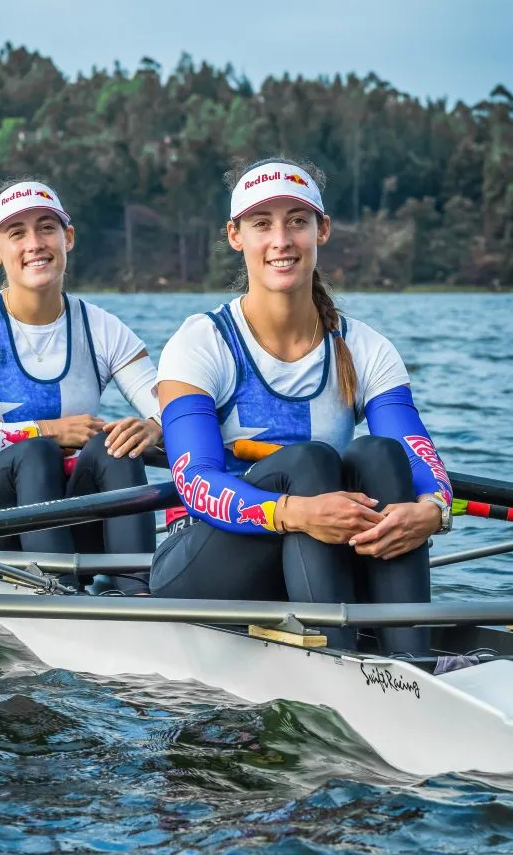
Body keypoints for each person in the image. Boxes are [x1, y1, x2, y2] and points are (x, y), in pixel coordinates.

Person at [151, 157, 453, 654]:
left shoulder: (367, 347)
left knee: (378, 454)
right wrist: (293, 512)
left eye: (297, 221)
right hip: (204, 569)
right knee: (310, 460)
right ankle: (343, 657)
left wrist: (433, 509)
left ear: (322, 230)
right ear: (235, 236)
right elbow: (194, 481)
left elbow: (414, 450)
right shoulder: (200, 343)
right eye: (262, 224)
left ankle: (409, 658)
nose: (281, 240)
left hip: (317, 559)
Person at [0, 178, 161, 592]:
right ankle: (60, 594)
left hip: (65, 520)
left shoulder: (102, 328)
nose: (35, 243)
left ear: (67, 238)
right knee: (34, 452)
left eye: (47, 228)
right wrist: (47, 430)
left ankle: (136, 589)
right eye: (18, 233)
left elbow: (176, 409)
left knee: (115, 442)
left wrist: (155, 426)